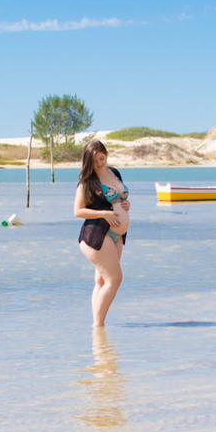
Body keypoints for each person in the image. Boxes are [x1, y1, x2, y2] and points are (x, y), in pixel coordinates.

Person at [75, 140, 131, 326]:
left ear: (106, 154)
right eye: (95, 161)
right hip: (97, 235)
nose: (100, 163)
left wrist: (126, 205)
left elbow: (119, 198)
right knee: (115, 279)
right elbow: (78, 211)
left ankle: (98, 335)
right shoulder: (87, 181)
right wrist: (104, 213)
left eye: (102, 158)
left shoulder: (114, 172)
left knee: (101, 280)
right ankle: (98, 327)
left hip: (117, 235)